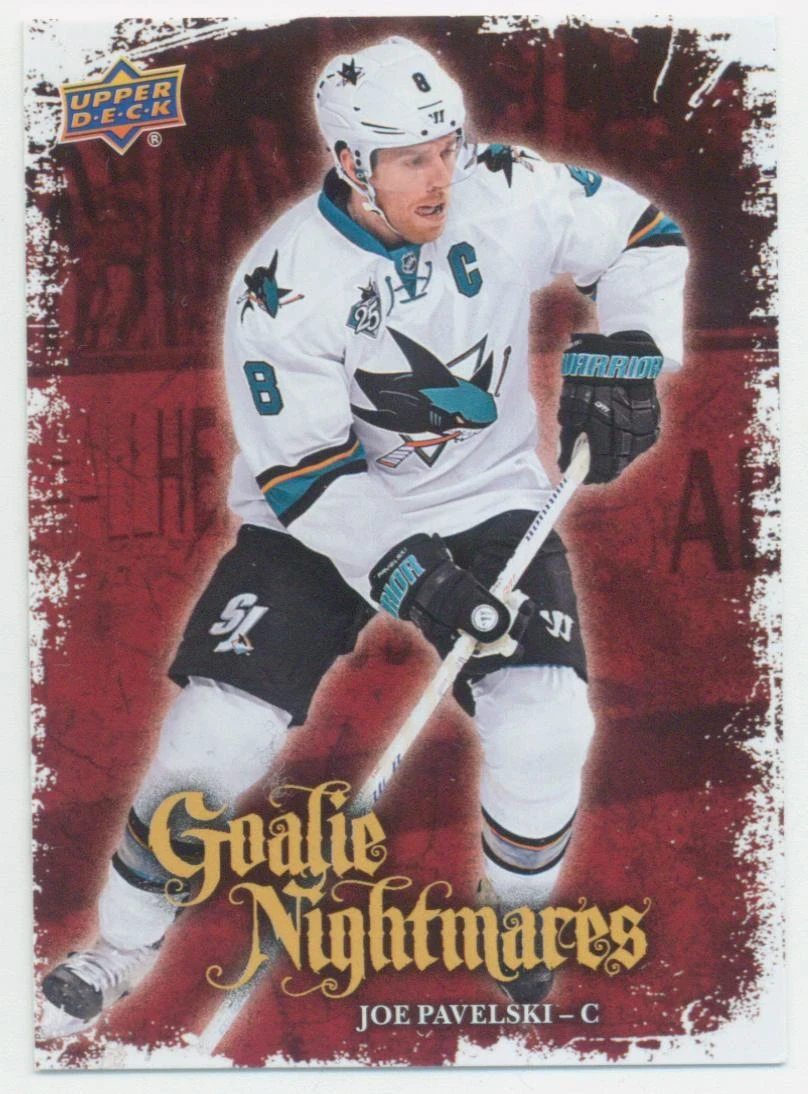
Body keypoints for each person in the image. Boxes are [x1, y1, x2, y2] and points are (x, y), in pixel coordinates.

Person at [40, 35, 687, 1037]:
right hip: (316, 517)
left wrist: (631, 351)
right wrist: (413, 575)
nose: (442, 175)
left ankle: (516, 913)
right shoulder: (281, 284)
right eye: (411, 158)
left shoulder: (504, 187)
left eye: (447, 145)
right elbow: (307, 474)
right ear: (349, 160)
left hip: (488, 499)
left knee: (547, 725)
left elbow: (643, 234)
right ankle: (119, 946)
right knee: (211, 739)